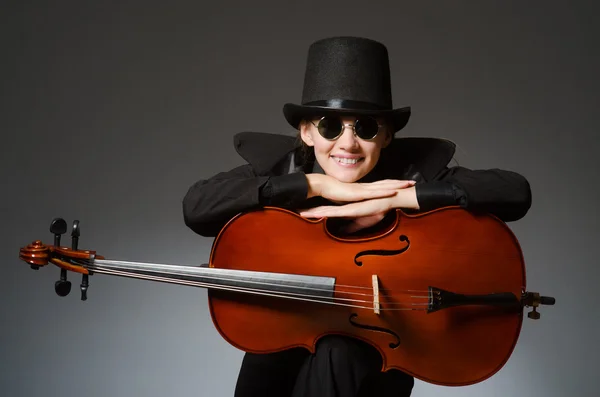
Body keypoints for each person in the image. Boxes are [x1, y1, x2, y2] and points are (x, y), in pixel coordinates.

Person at [182, 37, 531, 397]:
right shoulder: (282, 168)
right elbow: (196, 208)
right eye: (330, 126)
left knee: (340, 352)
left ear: (387, 134)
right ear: (306, 131)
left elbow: (515, 192)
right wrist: (312, 184)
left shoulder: (409, 172)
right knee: (268, 358)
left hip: (378, 351)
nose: (347, 143)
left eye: (365, 127)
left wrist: (401, 197)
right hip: (289, 337)